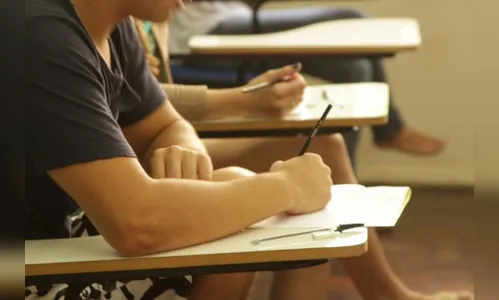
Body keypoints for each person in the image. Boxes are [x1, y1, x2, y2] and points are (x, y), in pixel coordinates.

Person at [133, 18, 473, 300]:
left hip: (163, 138)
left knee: (320, 153)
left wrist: (183, 129)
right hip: (130, 154)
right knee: (261, 178)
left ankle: (381, 293)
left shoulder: (150, 17)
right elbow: (131, 103)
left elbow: (151, 97)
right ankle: (386, 294)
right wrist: (242, 101)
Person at [25, 0, 335, 298]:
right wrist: (288, 187)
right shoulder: (40, 33)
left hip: (55, 243)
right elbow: (135, 224)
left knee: (228, 192)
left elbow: (164, 126)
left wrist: (183, 149)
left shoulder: (112, 28)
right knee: (232, 218)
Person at [168, 2, 446, 164]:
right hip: (199, 30)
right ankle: (389, 132)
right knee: (351, 19)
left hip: (228, 14)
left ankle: (346, 188)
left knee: (354, 67)